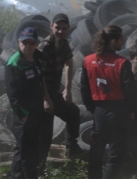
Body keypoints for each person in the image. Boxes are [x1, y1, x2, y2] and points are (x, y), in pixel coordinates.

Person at [80, 25, 135, 179]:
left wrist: (93, 108)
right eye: (120, 39)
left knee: (96, 151)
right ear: (112, 41)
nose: (123, 41)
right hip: (119, 110)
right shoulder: (122, 63)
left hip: (99, 110)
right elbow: (130, 91)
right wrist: (131, 110)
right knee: (116, 153)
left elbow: (84, 88)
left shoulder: (88, 61)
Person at [5, 27, 54, 179]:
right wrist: (23, 115)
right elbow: (12, 94)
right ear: (19, 42)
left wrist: (46, 99)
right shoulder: (14, 63)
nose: (28, 46)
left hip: (37, 110)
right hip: (23, 115)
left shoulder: (37, 58)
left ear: (36, 44)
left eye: (32, 43)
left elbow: (41, 81)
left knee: (23, 149)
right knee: (29, 152)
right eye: (25, 42)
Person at [37, 13, 82, 163]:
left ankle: (71, 148)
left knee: (73, 112)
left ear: (68, 28)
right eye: (57, 28)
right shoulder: (45, 46)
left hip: (54, 92)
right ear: (51, 26)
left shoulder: (64, 43)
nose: (60, 31)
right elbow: (39, 75)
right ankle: (38, 168)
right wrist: (46, 99)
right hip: (42, 94)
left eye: (64, 28)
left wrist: (67, 89)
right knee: (45, 135)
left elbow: (69, 63)